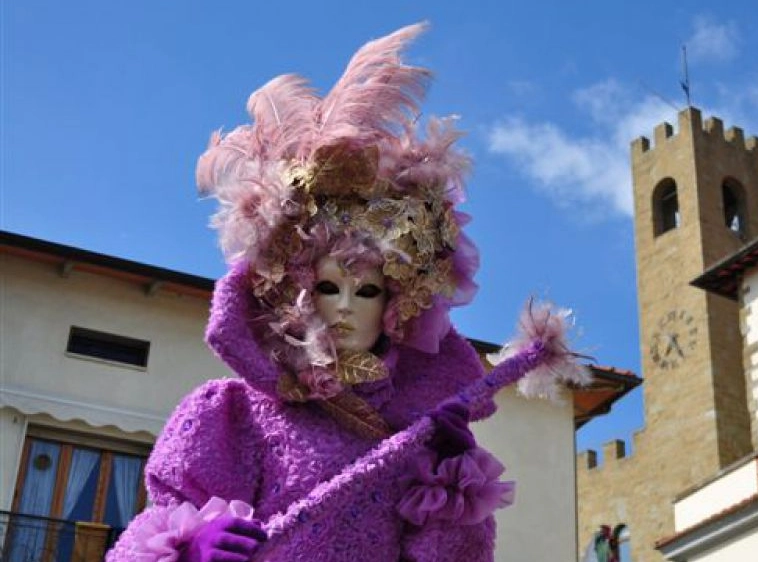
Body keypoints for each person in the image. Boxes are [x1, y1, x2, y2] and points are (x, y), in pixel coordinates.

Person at [105, 23, 588, 562]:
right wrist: (191, 546)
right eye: (329, 287)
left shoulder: (416, 438)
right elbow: (145, 536)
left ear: (395, 305)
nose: (343, 306)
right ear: (294, 293)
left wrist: (448, 482)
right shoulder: (233, 415)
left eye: (367, 291)